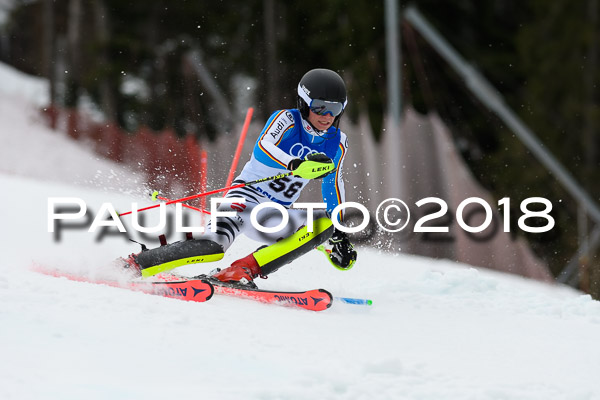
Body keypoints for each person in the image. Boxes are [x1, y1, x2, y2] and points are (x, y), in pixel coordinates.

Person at [121, 68, 357, 286]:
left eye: (334, 109)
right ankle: (136, 264)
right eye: (319, 108)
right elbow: (264, 147)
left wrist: (340, 231)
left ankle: (241, 270)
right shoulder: (286, 120)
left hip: (274, 215)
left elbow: (333, 183)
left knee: (324, 224)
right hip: (243, 199)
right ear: (305, 103)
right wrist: (294, 164)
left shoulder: (338, 143)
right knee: (212, 247)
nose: (326, 116)